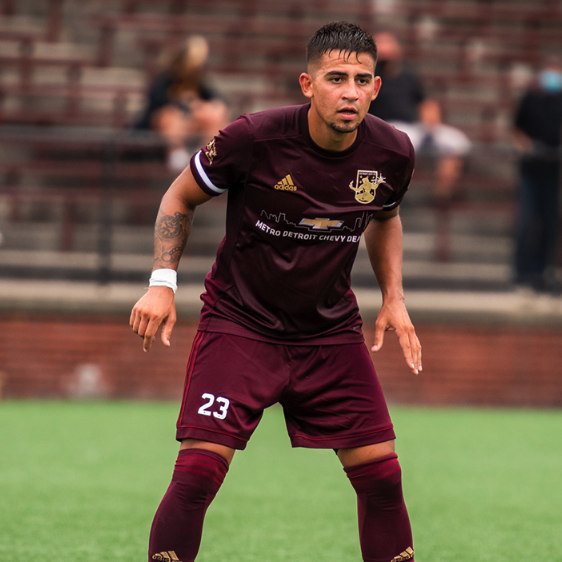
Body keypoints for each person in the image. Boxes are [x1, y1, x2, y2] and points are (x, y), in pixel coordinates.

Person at [130, 21, 422, 562]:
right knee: (197, 474)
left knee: (383, 478)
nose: (350, 92)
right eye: (336, 78)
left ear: (376, 88)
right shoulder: (252, 138)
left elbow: (385, 217)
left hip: (329, 331)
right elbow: (179, 196)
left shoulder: (393, 152)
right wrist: (162, 283)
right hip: (240, 325)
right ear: (307, 84)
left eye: (362, 80)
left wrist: (394, 298)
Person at [368, 32, 471, 204]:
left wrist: (431, 125)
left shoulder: (408, 76)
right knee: (404, 146)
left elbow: (426, 102)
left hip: (415, 127)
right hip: (387, 128)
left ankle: (440, 198)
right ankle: (395, 197)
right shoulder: (368, 78)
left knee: (457, 142)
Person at [134, 35, 231, 171]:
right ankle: (177, 156)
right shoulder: (166, 79)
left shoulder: (200, 82)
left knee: (215, 114)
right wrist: (189, 107)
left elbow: (218, 101)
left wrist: (204, 109)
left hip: (191, 126)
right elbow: (158, 105)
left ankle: (204, 157)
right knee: (171, 116)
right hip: (162, 128)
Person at [513, 55, 562, 293]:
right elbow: (517, 130)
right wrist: (528, 147)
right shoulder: (530, 99)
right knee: (525, 223)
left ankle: (543, 273)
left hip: (554, 172)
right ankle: (522, 274)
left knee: (549, 225)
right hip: (531, 171)